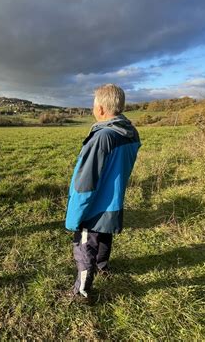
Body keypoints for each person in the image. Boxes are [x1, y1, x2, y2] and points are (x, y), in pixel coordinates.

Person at [65, 84, 141, 299]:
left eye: (93, 105)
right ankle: (102, 267)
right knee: (104, 236)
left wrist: (75, 216)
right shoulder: (130, 132)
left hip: (94, 205)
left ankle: (81, 292)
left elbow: (85, 182)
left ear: (100, 109)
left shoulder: (102, 137)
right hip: (114, 200)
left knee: (84, 247)